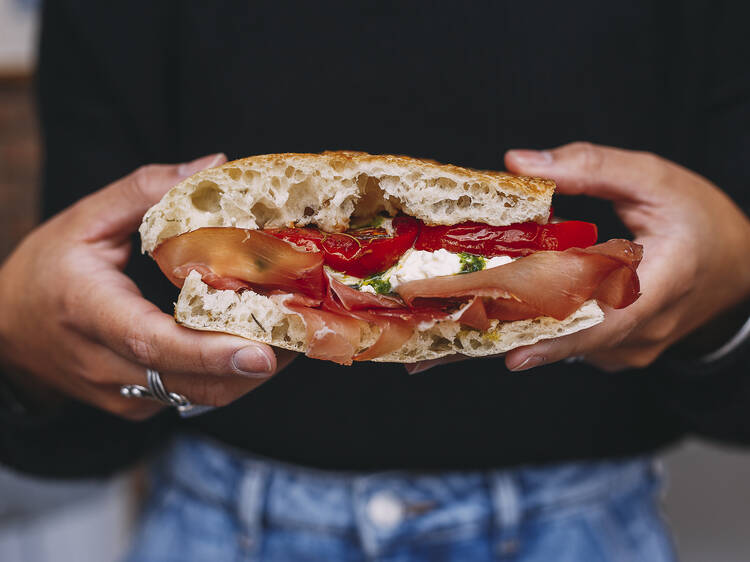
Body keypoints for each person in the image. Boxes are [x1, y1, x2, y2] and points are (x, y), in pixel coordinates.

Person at [1, 2, 749, 560]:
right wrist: (26, 343)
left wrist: (730, 293)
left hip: (587, 529)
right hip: (217, 525)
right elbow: (78, 429)